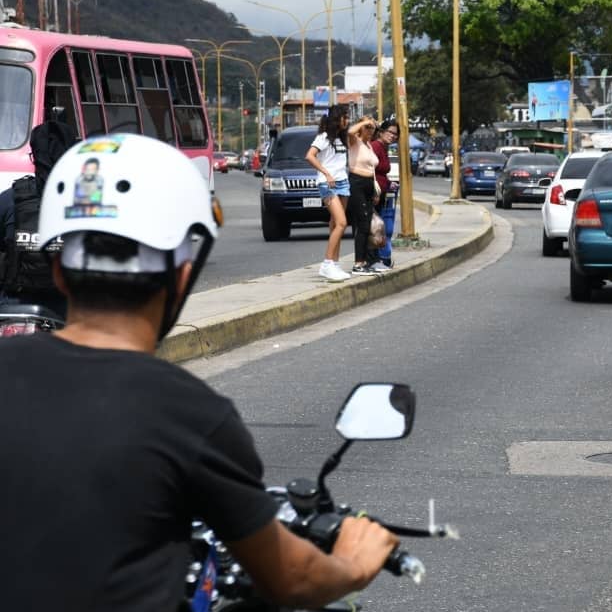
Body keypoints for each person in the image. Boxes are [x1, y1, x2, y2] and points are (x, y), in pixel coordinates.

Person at [0, 133, 399, 609]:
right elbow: (289, 577)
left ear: (59, 271)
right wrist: (354, 563)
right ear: (182, 276)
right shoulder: (190, 414)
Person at [0, 118, 78, 318]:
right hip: (67, 306)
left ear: (35, 156)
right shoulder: (85, 201)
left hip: (15, 303)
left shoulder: (12, 198)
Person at [305, 105, 352, 282]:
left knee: (334, 225)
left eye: (348, 118)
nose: (347, 121)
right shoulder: (323, 137)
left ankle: (335, 263)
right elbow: (309, 156)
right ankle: (326, 264)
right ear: (336, 119)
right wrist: (325, 173)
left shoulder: (342, 138)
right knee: (342, 223)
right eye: (344, 117)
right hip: (328, 184)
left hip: (343, 183)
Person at [347, 115, 383, 276]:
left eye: (372, 128)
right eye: (367, 128)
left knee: (368, 224)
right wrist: (364, 123)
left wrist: (375, 191)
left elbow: (373, 169)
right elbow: (350, 131)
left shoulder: (368, 145)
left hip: (369, 184)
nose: (370, 131)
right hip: (357, 183)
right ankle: (358, 263)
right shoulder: (354, 142)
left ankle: (367, 260)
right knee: (362, 225)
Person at [371, 120, 400, 268]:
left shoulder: (384, 147)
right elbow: (370, 170)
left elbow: (381, 173)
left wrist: (389, 183)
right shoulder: (376, 146)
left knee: (383, 228)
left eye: (396, 134)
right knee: (377, 228)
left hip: (383, 193)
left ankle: (382, 258)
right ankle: (377, 259)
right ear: (381, 132)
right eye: (390, 132)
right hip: (374, 195)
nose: (393, 136)